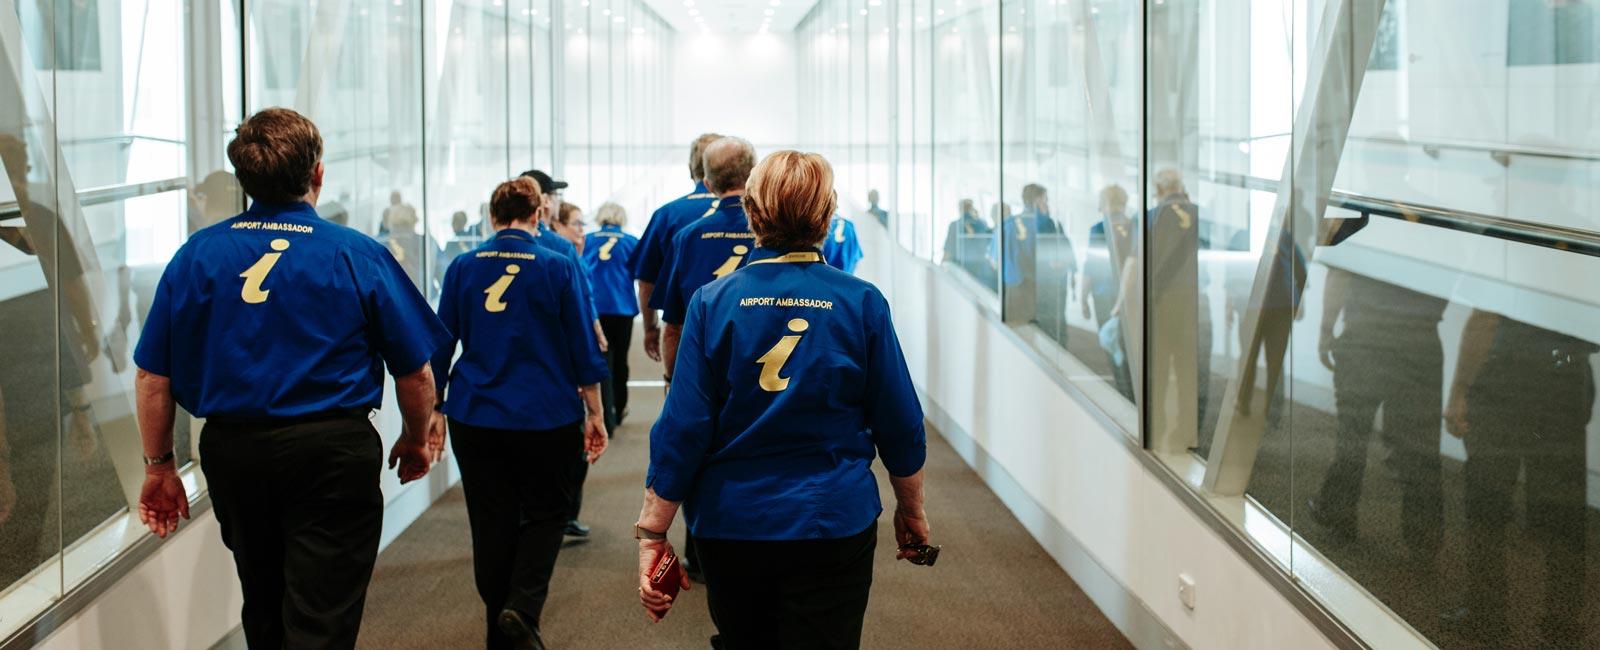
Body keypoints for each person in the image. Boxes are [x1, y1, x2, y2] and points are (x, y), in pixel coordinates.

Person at [132, 108, 448, 649]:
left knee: (263, 596)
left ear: (243, 178)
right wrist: (417, 439)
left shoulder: (197, 256)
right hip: (331, 454)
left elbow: (152, 378)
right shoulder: (355, 253)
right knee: (322, 611)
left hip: (235, 452)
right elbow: (415, 374)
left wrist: (159, 466)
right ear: (318, 173)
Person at [636, 150, 931, 649]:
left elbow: (683, 428)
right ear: (827, 214)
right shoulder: (860, 302)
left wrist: (653, 531)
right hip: (832, 520)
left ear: (752, 213)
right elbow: (900, 424)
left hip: (732, 523)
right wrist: (912, 510)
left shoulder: (712, 301)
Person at [432, 177, 610, 650]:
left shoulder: (463, 266)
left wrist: (433, 407)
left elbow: (440, 342)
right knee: (549, 512)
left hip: (475, 414)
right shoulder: (557, 264)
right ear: (537, 216)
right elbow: (581, 344)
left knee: (491, 520)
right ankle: (524, 606)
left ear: (492, 218)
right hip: (544, 414)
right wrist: (594, 410)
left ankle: (501, 627)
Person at [1443, 310, 1593, 645]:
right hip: (1567, 379)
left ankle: (1485, 614)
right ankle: (1562, 625)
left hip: (1506, 380)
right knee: (1563, 515)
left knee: (1487, 504)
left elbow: (1485, 317)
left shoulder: (1507, 254)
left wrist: (1458, 392)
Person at [656, 136, 758, 376]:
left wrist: (672, 380)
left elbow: (673, 327)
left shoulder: (687, 237)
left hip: (703, 370)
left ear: (709, 185)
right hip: (761, 369)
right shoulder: (775, 231)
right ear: (754, 174)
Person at [632, 133, 723, 364]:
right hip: (744, 328)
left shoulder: (667, 214)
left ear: (692, 168)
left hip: (683, 330)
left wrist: (651, 328)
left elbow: (646, 283)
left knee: (681, 393)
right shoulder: (754, 215)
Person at [583, 202, 641, 425]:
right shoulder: (631, 242)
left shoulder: (587, 240)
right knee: (620, 360)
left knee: (600, 359)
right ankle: (619, 407)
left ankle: (603, 411)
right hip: (622, 308)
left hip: (595, 309)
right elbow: (638, 273)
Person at [1080, 185, 1134, 398]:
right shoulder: (1134, 225)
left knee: (1112, 344)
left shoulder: (1099, 229)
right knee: (1130, 347)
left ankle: (1125, 393)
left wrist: (1083, 298)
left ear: (1104, 203)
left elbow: (1091, 265)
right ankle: (1134, 393)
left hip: (1105, 296)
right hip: (1130, 297)